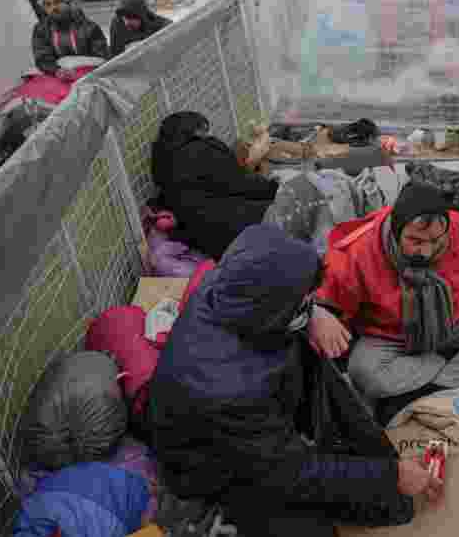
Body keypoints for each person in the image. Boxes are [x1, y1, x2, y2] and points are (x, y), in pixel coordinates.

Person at [149, 224, 440, 536]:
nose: (307, 304)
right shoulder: (228, 390)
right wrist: (387, 477)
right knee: (322, 523)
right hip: (212, 470)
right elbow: (292, 472)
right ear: (273, 310)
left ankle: (380, 466)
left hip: (255, 413)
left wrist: (313, 313)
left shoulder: (229, 288)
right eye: (302, 301)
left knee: (326, 377)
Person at [311, 182, 459, 425]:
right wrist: (321, 314)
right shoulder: (360, 250)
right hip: (391, 336)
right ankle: (450, 367)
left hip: (454, 321)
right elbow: (332, 301)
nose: (426, 251)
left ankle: (426, 386)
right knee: (363, 372)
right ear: (397, 230)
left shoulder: (458, 227)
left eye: (436, 241)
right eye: (415, 240)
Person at [150, 111, 279, 260]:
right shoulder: (200, 151)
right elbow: (239, 182)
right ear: (196, 130)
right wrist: (275, 188)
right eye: (206, 129)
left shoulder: (164, 162)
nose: (209, 133)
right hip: (233, 231)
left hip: (207, 241)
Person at [32, 0, 110, 75]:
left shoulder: (89, 27)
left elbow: (101, 57)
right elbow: (42, 58)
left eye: (57, 2)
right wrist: (57, 70)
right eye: (48, 5)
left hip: (88, 73)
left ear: (68, 4)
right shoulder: (41, 29)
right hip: (56, 74)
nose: (53, 8)